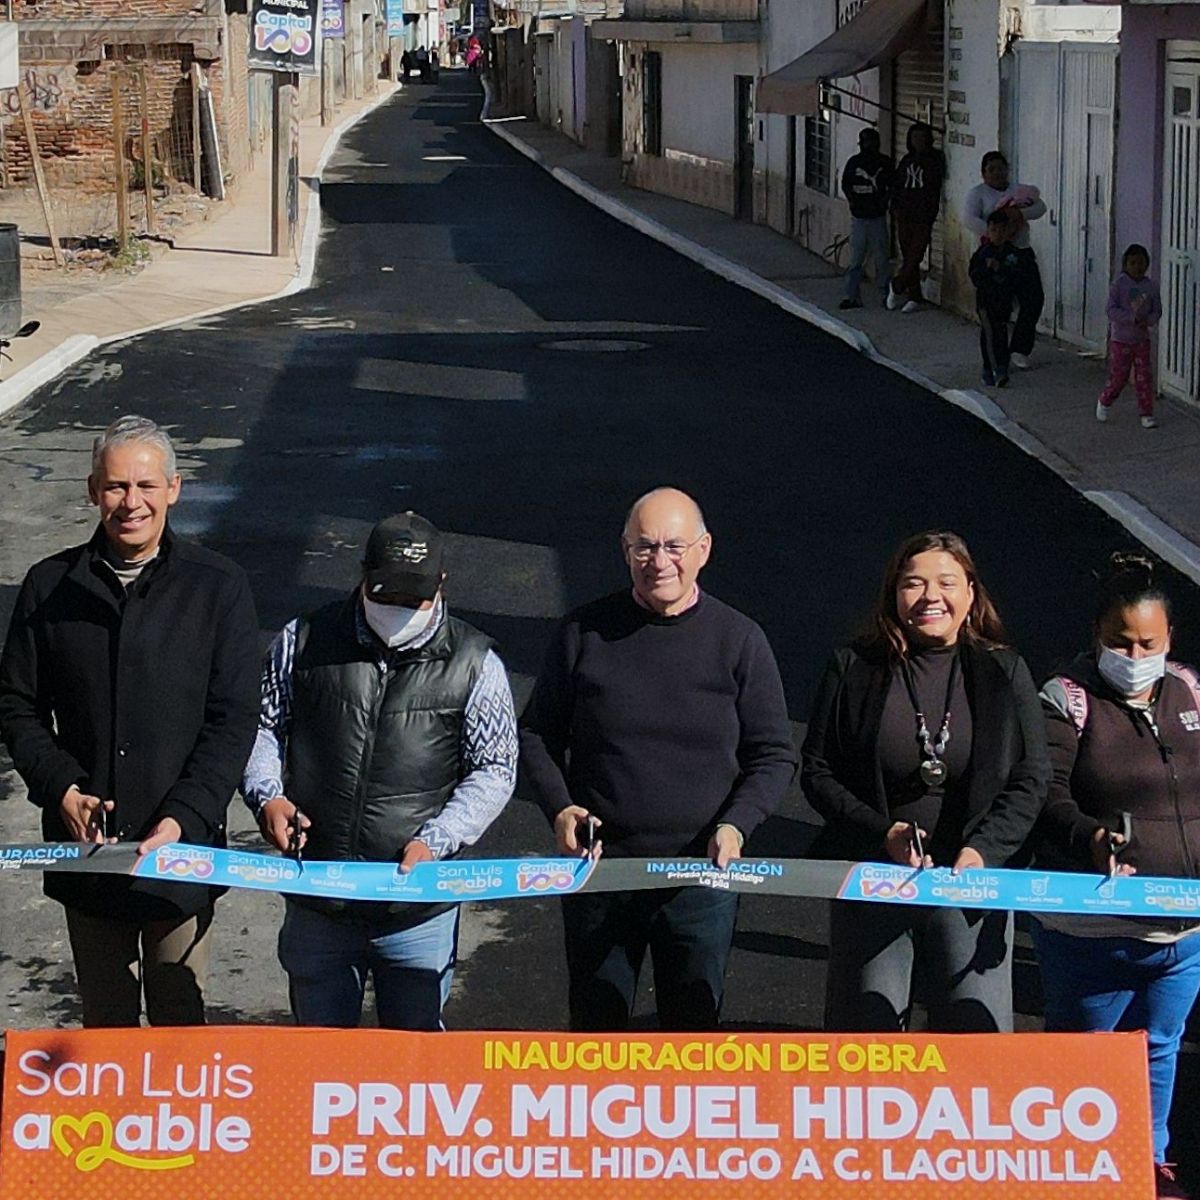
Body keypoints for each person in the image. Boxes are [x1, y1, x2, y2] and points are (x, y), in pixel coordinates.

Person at [0, 415, 260, 1027]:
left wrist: (185, 816)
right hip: (88, 858)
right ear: (93, 491)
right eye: (116, 487)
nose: (131, 503)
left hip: (180, 857)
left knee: (179, 1024)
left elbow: (232, 720)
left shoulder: (217, 588)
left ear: (174, 488)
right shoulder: (48, 587)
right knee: (105, 1030)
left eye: (146, 486)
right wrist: (61, 786)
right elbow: (15, 705)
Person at [520, 488, 796, 1032]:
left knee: (691, 1044)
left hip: (700, 876)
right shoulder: (583, 632)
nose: (659, 562)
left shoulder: (739, 639)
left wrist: (737, 826)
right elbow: (536, 732)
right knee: (597, 1042)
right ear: (624, 551)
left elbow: (774, 754)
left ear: (704, 550)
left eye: (674, 546)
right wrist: (560, 808)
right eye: (644, 547)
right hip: (601, 871)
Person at [241, 512, 517, 1030]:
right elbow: (262, 726)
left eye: (414, 599)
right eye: (385, 595)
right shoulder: (302, 641)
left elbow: (495, 767)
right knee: (318, 1066)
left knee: (411, 1071)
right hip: (318, 901)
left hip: (417, 913)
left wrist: (438, 838)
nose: (398, 610)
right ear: (362, 577)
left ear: (440, 585)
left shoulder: (477, 663)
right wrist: (267, 797)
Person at [801, 530, 1048, 1033]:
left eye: (946, 583)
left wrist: (984, 850)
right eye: (913, 583)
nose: (930, 597)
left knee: (973, 1054)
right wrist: (880, 833)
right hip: (876, 884)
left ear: (971, 594)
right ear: (893, 594)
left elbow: (1031, 777)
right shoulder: (853, 668)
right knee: (864, 1052)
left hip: (970, 890)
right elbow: (818, 771)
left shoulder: (1005, 671)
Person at [1033, 554, 1200, 1199]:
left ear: (1169, 641)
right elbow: (1045, 795)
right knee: (1087, 1056)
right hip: (1094, 929)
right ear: (1096, 638)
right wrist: (1090, 836)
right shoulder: (1066, 698)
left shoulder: (1188, 689)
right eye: (1119, 642)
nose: (1134, 654)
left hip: (1183, 931)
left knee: (1161, 1047)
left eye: (1148, 643)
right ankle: (1076, 1171)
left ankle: (1148, 1162)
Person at [963, 151, 1046, 368]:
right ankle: (996, 358)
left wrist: (1019, 215)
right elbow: (969, 219)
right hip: (994, 255)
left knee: (1033, 299)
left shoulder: (1017, 191)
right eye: (991, 169)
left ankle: (1020, 349)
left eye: (1000, 168)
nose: (997, 173)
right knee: (998, 309)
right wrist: (995, 235)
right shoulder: (977, 194)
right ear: (983, 173)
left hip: (1020, 252)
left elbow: (1040, 207)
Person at [1097, 243, 1163, 430]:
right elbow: (1110, 310)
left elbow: (1157, 311)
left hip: (1141, 340)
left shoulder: (1151, 286)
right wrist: (1130, 319)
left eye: (1141, 263)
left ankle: (1146, 413)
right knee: (1120, 376)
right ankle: (1105, 400)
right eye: (1133, 263)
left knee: (1144, 377)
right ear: (1125, 265)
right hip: (1121, 340)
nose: (1137, 267)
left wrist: (1149, 321)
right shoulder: (1119, 284)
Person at [887, 121, 944, 314]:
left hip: (923, 215)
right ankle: (914, 295)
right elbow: (896, 185)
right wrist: (895, 208)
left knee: (916, 254)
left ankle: (897, 284)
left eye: (922, 138)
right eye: (914, 138)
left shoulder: (935, 160)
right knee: (907, 252)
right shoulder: (906, 161)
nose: (918, 141)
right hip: (904, 214)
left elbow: (934, 187)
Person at [839, 127, 894, 311]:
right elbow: (846, 184)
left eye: (871, 141)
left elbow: (892, 186)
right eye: (865, 142)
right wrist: (853, 202)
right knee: (856, 260)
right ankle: (852, 296)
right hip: (859, 218)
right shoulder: (854, 163)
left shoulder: (885, 163)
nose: (868, 145)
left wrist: (883, 203)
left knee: (881, 260)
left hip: (877, 217)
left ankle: (885, 295)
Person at [969, 209, 1023, 388]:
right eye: (994, 230)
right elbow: (975, 276)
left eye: (1001, 230)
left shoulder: (1011, 254)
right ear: (988, 231)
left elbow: (1015, 276)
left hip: (1003, 302)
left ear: (1008, 231)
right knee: (989, 333)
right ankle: (993, 369)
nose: (998, 235)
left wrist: (1000, 268)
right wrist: (987, 269)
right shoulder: (983, 253)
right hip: (986, 302)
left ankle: (1001, 365)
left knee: (1001, 332)